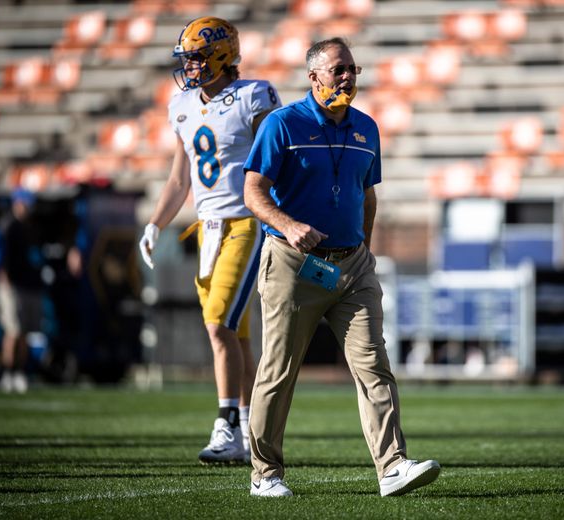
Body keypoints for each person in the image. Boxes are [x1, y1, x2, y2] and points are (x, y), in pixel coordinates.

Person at [243, 37, 440, 497]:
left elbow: (367, 195)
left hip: (352, 267)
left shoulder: (367, 128)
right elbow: (253, 192)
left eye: (353, 68)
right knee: (278, 370)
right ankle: (264, 474)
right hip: (293, 265)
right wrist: (288, 225)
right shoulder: (282, 124)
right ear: (314, 78)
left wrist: (364, 249)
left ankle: (392, 466)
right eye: (339, 70)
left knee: (375, 364)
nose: (348, 76)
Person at [138, 16, 281, 464]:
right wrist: (156, 223)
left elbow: (279, 160)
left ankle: (226, 425)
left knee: (217, 324)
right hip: (208, 229)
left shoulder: (253, 96)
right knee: (235, 338)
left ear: (222, 55)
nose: (191, 66)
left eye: (198, 57)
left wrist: (284, 218)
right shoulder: (181, 103)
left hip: (246, 222)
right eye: (188, 58)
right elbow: (180, 178)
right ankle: (251, 430)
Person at [0, 188, 43, 394]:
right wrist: (4, 279)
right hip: (12, 284)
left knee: (24, 332)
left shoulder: (29, 227)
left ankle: (19, 373)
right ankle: (8, 372)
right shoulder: (8, 225)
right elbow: (0, 256)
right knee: (13, 331)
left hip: (28, 284)